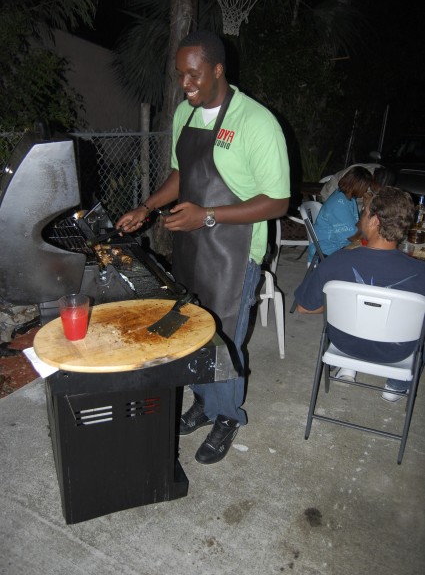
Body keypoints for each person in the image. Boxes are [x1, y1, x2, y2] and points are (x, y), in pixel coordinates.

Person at [116, 30, 290, 464]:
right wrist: (149, 207)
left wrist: (207, 215)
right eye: (180, 75)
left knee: (225, 338)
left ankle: (227, 415)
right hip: (191, 242)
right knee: (191, 329)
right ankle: (203, 403)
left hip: (236, 250)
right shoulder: (185, 115)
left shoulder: (256, 122)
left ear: (217, 69)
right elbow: (181, 172)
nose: (185, 83)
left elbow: (278, 201)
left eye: (194, 74)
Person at [295, 186, 425, 401]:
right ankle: (396, 385)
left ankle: (346, 367)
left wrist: (341, 306)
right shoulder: (420, 271)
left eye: (364, 212)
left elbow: (304, 307)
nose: (360, 217)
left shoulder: (338, 260)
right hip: (397, 351)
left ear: (375, 221)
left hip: (346, 344)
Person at [308, 166, 372, 261]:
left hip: (339, 244)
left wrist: (364, 207)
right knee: (372, 252)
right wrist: (367, 211)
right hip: (327, 251)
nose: (366, 190)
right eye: (366, 187)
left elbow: (356, 225)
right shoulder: (338, 204)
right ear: (359, 186)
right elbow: (354, 237)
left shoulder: (348, 197)